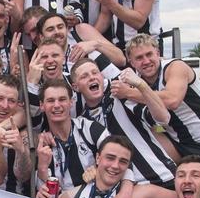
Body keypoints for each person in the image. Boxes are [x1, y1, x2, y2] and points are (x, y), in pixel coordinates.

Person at [117, 34, 200, 198]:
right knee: (138, 147)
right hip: (177, 139)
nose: (146, 61)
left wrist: (129, 92)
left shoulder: (175, 67)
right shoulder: (135, 80)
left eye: (149, 54)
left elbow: (172, 100)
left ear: (157, 53)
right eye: (139, 57)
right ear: (131, 61)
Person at [34, 79, 135, 198]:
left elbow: (124, 158)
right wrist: (42, 169)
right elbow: (49, 195)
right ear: (42, 105)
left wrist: (126, 192)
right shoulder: (42, 145)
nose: (57, 105)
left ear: (71, 102)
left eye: (62, 99)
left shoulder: (90, 128)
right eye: (51, 100)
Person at [70, 58, 177, 189]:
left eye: (95, 73)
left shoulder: (121, 97)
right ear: (75, 86)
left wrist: (141, 85)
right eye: (84, 76)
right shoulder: (82, 123)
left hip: (162, 176)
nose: (92, 78)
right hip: (128, 189)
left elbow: (163, 118)